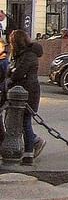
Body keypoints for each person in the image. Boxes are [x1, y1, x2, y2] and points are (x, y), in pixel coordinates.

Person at [5, 29, 45, 163]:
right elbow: (12, 71)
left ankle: (29, 153)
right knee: (22, 122)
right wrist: (12, 71)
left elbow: (17, 73)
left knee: (25, 122)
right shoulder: (21, 54)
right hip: (23, 91)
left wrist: (11, 73)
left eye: (12, 42)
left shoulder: (28, 55)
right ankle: (33, 142)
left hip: (28, 93)